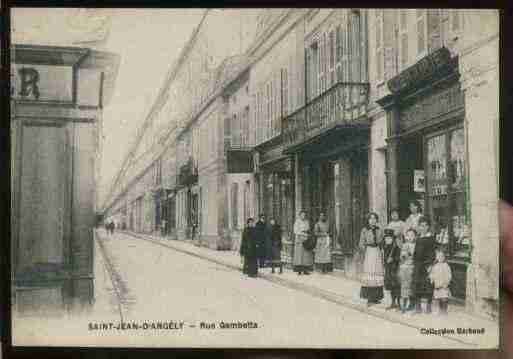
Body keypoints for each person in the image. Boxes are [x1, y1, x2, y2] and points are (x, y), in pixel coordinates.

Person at [359, 212, 385, 306]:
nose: (372, 220)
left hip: (377, 251)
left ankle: (376, 297)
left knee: (377, 272)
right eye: (371, 219)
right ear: (368, 220)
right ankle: (369, 298)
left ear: (376, 220)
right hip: (369, 252)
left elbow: (382, 241)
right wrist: (365, 249)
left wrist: (382, 246)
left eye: (374, 218)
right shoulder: (365, 230)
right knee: (370, 273)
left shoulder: (380, 230)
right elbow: (361, 243)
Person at [412, 216, 436, 314]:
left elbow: (432, 253)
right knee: (417, 284)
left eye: (426, 225)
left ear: (428, 227)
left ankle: (428, 306)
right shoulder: (418, 239)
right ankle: (418, 306)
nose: (424, 227)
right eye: (421, 226)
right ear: (419, 227)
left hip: (426, 265)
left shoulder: (430, 238)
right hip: (418, 265)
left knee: (428, 286)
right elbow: (416, 252)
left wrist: (430, 264)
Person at [429, 248, 452, 315]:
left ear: (444, 257)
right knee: (438, 298)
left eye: (441, 257)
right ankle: (440, 310)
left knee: (444, 298)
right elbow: (432, 273)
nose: (440, 258)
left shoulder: (446, 266)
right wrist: (431, 279)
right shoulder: (435, 266)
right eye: (438, 257)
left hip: (443, 284)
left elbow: (449, 275)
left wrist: (446, 283)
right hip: (437, 284)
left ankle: (444, 310)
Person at [382, 228, 401, 310]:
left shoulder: (396, 248)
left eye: (390, 238)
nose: (388, 240)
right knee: (390, 286)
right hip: (388, 270)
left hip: (395, 269)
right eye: (386, 238)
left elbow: (399, 258)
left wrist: (393, 259)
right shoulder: (385, 247)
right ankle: (393, 302)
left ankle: (399, 303)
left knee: (396, 286)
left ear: (393, 239)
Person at [399, 229, 416, 313]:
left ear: (415, 236)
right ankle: (404, 305)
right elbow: (402, 257)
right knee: (404, 286)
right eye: (408, 235)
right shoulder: (405, 245)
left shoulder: (416, 245)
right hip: (405, 268)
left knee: (412, 287)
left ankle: (412, 304)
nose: (410, 237)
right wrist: (405, 255)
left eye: (412, 235)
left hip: (413, 267)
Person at [293, 210, 314, 275]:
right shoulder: (297, 222)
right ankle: (299, 270)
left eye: (304, 215)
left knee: (306, 255)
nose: (303, 216)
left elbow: (308, 229)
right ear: (300, 215)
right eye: (302, 215)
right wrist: (302, 233)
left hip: (306, 239)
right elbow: (295, 231)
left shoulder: (306, 222)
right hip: (299, 239)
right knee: (299, 255)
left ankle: (305, 270)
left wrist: (307, 234)